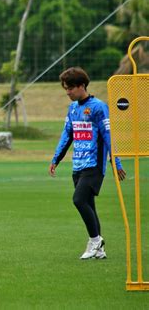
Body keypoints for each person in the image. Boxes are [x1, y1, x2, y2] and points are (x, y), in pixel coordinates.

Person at [49, 67, 126, 260]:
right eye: (65, 89)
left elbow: (108, 135)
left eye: (70, 88)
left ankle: (94, 240)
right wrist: (56, 159)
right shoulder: (73, 108)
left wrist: (115, 162)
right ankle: (99, 250)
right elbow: (67, 135)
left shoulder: (99, 107)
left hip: (94, 166)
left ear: (81, 85)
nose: (67, 92)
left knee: (79, 200)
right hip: (78, 165)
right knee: (89, 204)